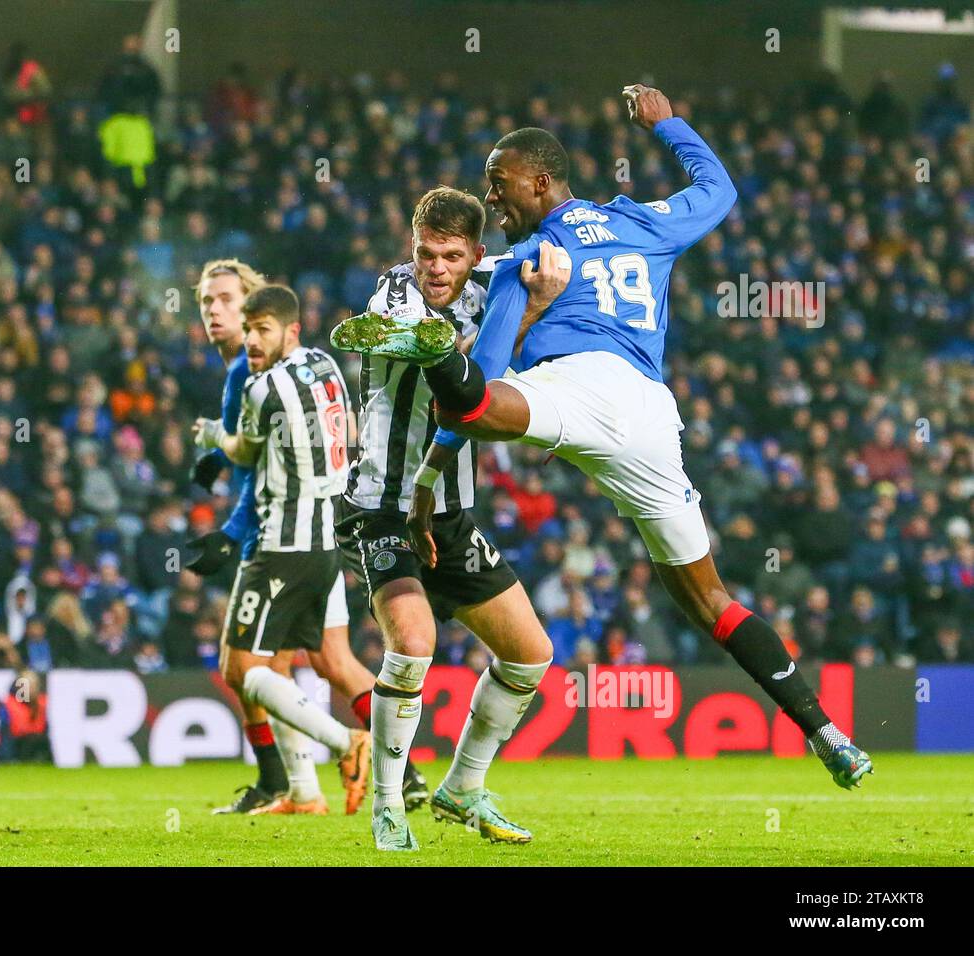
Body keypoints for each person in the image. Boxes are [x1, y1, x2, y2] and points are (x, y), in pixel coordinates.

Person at [332, 84, 872, 791]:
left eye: (500, 186)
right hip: (650, 412)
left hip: (571, 390)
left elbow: (477, 390)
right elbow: (717, 190)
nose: (494, 202)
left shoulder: (528, 263)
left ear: (540, 181)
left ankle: (423, 344)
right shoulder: (645, 223)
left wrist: (433, 474)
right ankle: (828, 735)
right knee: (710, 599)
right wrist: (669, 123)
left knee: (465, 397)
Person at [335, 186, 554, 850]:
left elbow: (542, 263)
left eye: (451, 256)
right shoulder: (391, 297)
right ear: (413, 247)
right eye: (426, 252)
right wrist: (528, 309)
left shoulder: (495, 282)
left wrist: (548, 275)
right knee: (414, 641)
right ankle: (387, 807)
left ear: (474, 254)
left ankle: (463, 787)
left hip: (450, 514)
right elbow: (449, 363)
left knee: (531, 656)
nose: (435, 267)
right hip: (380, 510)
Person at [187, 260, 426, 815]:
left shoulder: (249, 383)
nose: (218, 314)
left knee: (247, 667)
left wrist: (229, 525)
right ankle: (353, 781)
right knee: (330, 661)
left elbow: (248, 460)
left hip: (280, 537)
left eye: (228, 301)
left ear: (265, 312)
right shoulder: (322, 364)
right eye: (206, 303)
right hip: (328, 530)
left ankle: (326, 760)